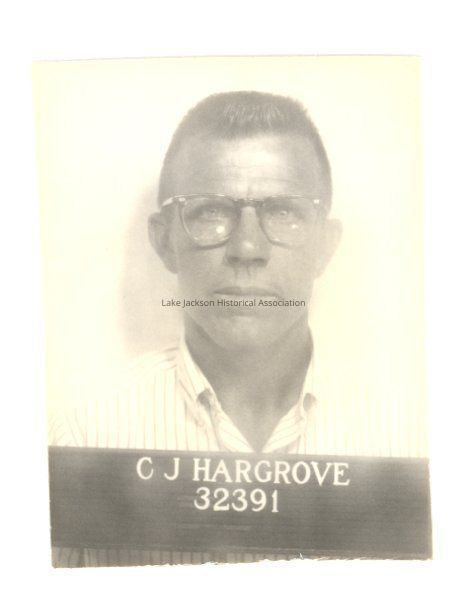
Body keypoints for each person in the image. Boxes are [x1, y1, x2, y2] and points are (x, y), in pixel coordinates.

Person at [48, 91, 340, 567]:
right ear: (164, 240)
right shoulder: (81, 435)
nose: (247, 249)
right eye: (211, 211)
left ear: (326, 245)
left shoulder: (412, 430)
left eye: (284, 211)